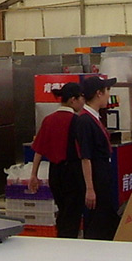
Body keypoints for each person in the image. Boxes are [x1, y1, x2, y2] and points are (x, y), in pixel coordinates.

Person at [27, 82, 85, 238]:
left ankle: (62, 238)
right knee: (72, 213)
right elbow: (84, 154)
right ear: (73, 100)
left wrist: (34, 175)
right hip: (73, 172)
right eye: (81, 98)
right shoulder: (77, 121)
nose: (83, 102)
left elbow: (39, 149)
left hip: (55, 173)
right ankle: (67, 242)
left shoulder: (48, 120)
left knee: (63, 209)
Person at [72, 75, 120, 240]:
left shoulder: (95, 117)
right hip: (96, 177)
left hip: (103, 175)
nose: (108, 95)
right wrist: (90, 188)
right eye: (107, 90)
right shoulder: (85, 121)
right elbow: (85, 157)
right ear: (99, 93)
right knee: (97, 221)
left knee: (106, 218)